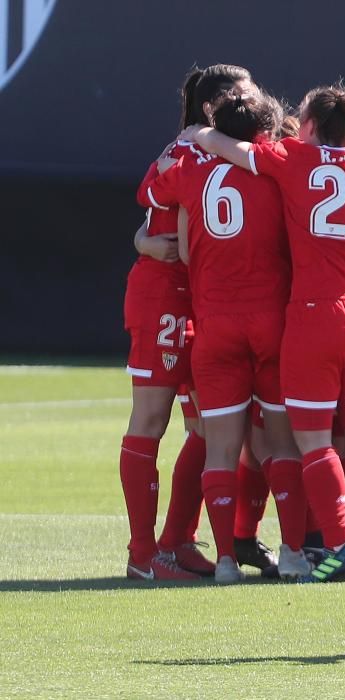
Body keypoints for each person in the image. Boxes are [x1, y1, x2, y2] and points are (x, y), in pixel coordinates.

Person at [182, 84, 345, 583]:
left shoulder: (294, 158)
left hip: (316, 317)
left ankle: (338, 548)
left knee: (313, 441)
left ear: (311, 124)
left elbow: (231, 148)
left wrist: (200, 130)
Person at [141, 89, 295, 583]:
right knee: (281, 445)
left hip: (215, 323)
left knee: (220, 447)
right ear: (262, 132)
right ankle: (295, 552)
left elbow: (179, 242)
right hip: (270, 320)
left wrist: (142, 238)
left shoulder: (189, 171)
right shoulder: (279, 169)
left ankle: (226, 559)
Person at [121, 64, 259, 582]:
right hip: (165, 296)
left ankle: (176, 539)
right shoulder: (187, 150)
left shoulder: (217, 146)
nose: (252, 102)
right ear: (211, 107)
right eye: (243, 95)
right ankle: (141, 555)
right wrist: (147, 243)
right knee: (151, 420)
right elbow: (153, 202)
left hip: (207, 301)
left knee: (207, 425)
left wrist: (144, 238)